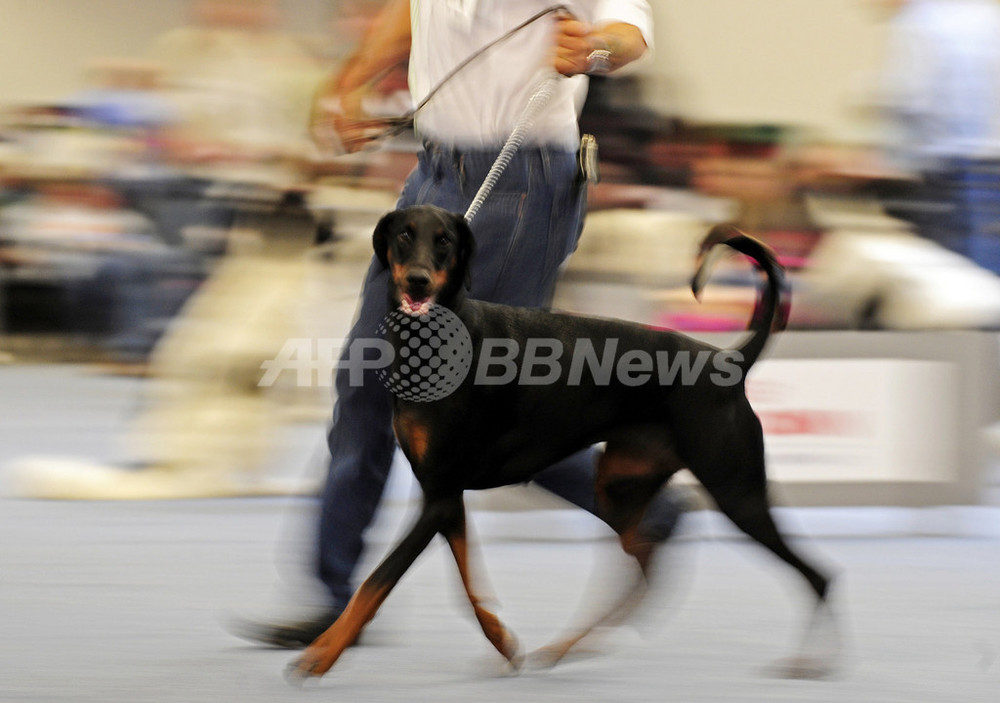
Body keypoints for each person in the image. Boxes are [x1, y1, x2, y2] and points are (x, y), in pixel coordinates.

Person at [235, 0, 686, 648]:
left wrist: (593, 49)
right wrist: (353, 76)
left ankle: (642, 498)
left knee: (487, 403)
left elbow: (631, 27)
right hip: (434, 175)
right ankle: (331, 595)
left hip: (520, 183)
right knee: (366, 380)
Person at [868, 0, 1000, 273]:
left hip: (949, 173)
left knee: (952, 278)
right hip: (991, 167)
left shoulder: (919, 20)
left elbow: (910, 99)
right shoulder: (984, 13)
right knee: (987, 274)